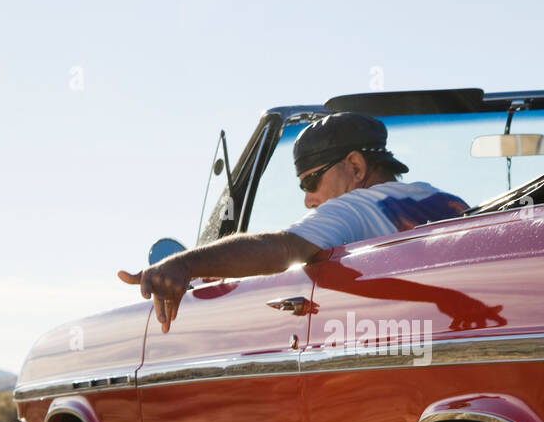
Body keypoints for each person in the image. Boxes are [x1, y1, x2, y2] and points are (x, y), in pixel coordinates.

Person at [118, 112, 467, 332]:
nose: (308, 199)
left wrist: (186, 263)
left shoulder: (353, 207)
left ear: (356, 167)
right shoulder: (449, 201)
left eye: (310, 182)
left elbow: (282, 248)